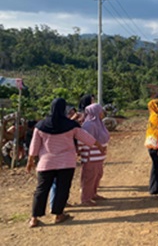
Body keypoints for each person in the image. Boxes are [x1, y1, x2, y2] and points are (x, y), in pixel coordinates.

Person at [26, 98, 103, 228]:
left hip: (46, 163)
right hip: (66, 163)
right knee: (63, 188)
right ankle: (58, 215)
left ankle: (34, 218)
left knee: (41, 190)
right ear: (63, 109)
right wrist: (99, 146)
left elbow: (34, 146)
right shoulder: (70, 125)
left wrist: (30, 161)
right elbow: (85, 137)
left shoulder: (41, 126)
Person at [78, 103, 110, 205]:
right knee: (89, 177)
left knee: (97, 175)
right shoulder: (89, 125)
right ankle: (85, 198)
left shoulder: (99, 123)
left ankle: (93, 194)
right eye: (100, 111)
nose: (102, 113)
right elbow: (84, 140)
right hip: (90, 156)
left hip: (98, 156)